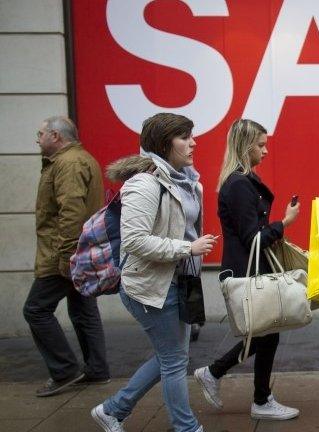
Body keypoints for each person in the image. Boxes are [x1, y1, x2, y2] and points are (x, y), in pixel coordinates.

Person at [91, 113, 217, 432]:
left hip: (180, 282)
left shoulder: (187, 180)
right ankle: (186, 428)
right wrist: (186, 249)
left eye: (192, 135)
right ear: (164, 143)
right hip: (149, 286)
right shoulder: (145, 183)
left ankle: (113, 410)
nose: (193, 142)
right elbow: (134, 240)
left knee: (171, 358)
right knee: (174, 361)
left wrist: (190, 257)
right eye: (184, 137)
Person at [192, 119, 300, 420]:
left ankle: (225, 379)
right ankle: (256, 397)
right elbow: (253, 238)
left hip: (249, 268)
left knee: (265, 332)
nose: (265, 151)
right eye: (260, 145)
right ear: (245, 146)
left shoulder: (240, 181)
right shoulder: (239, 185)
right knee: (265, 333)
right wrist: (284, 223)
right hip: (247, 271)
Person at [24, 116, 110, 397]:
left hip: (64, 252)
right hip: (78, 250)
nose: (38, 139)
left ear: (56, 137)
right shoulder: (76, 159)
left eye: (41, 133)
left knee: (36, 309)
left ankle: (64, 370)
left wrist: (66, 256)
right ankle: (97, 370)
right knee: (83, 310)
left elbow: (70, 212)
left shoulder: (68, 163)